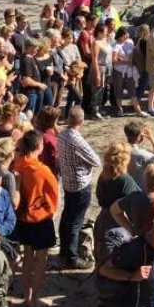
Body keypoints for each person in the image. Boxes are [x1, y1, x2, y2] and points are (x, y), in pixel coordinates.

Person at [15, 129, 60, 307]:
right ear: (38, 147)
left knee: (27, 255)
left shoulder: (19, 164)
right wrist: (52, 211)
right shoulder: (42, 170)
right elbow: (54, 193)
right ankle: (34, 298)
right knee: (41, 258)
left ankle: (27, 295)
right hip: (41, 217)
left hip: (24, 216)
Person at [57, 106, 101, 269]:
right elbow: (96, 161)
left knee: (67, 217)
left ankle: (64, 251)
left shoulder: (62, 135)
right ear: (81, 121)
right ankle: (72, 257)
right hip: (80, 184)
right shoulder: (77, 139)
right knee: (75, 221)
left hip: (68, 182)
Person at [94, 141, 141, 256]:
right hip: (119, 225)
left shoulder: (103, 175)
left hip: (102, 222)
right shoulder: (125, 180)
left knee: (102, 257)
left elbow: (99, 198)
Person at [124, 122, 154, 190]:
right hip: (140, 189)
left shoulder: (121, 149)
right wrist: (151, 138)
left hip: (125, 187)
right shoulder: (140, 154)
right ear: (140, 136)